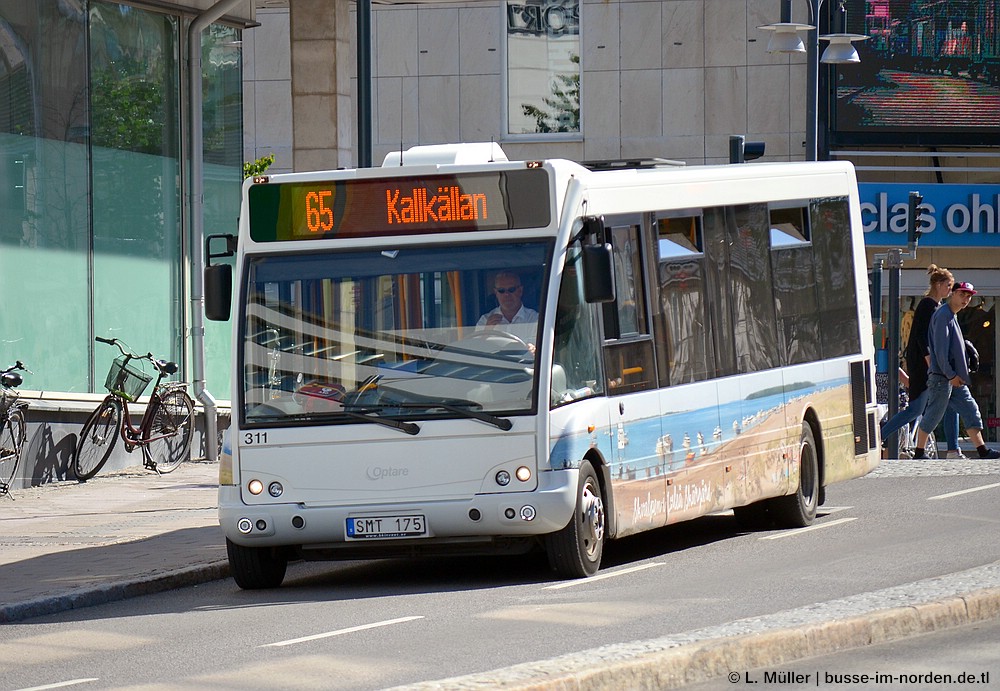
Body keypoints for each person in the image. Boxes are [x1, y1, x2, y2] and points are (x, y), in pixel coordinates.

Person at [880, 265, 963, 458]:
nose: (950, 290)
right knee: (915, 409)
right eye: (949, 286)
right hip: (924, 367)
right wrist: (930, 364)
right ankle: (881, 436)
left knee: (951, 403)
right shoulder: (929, 306)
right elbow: (920, 337)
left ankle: (952, 448)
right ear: (939, 284)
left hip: (929, 367)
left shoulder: (935, 307)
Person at [913, 281, 1000, 460]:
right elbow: (940, 350)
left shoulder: (951, 315)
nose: (966, 299)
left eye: (969, 296)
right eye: (962, 294)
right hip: (943, 377)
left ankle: (983, 450)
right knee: (934, 413)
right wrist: (950, 374)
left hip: (954, 377)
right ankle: (919, 453)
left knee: (970, 409)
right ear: (952, 294)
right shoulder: (944, 315)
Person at [476, 271, 538, 346]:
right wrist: (486, 331)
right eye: (501, 290)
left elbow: (540, 348)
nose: (506, 294)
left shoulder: (534, 319)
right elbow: (477, 348)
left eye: (511, 289)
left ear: (520, 291)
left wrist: (533, 349)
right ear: (496, 293)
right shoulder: (485, 320)